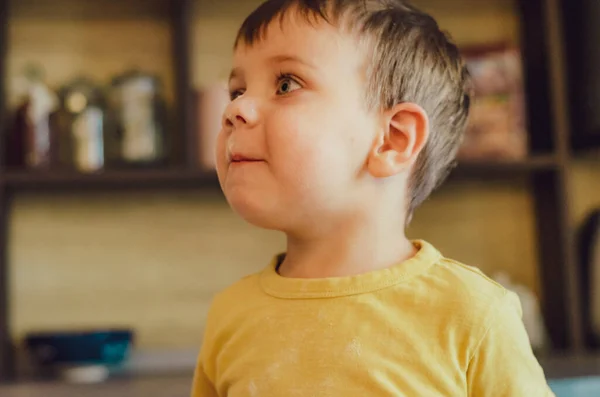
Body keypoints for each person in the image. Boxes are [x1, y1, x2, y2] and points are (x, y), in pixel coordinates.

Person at [191, 0, 555, 395]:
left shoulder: (472, 314)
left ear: (392, 139)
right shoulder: (230, 318)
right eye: (236, 90)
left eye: (286, 84)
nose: (235, 109)